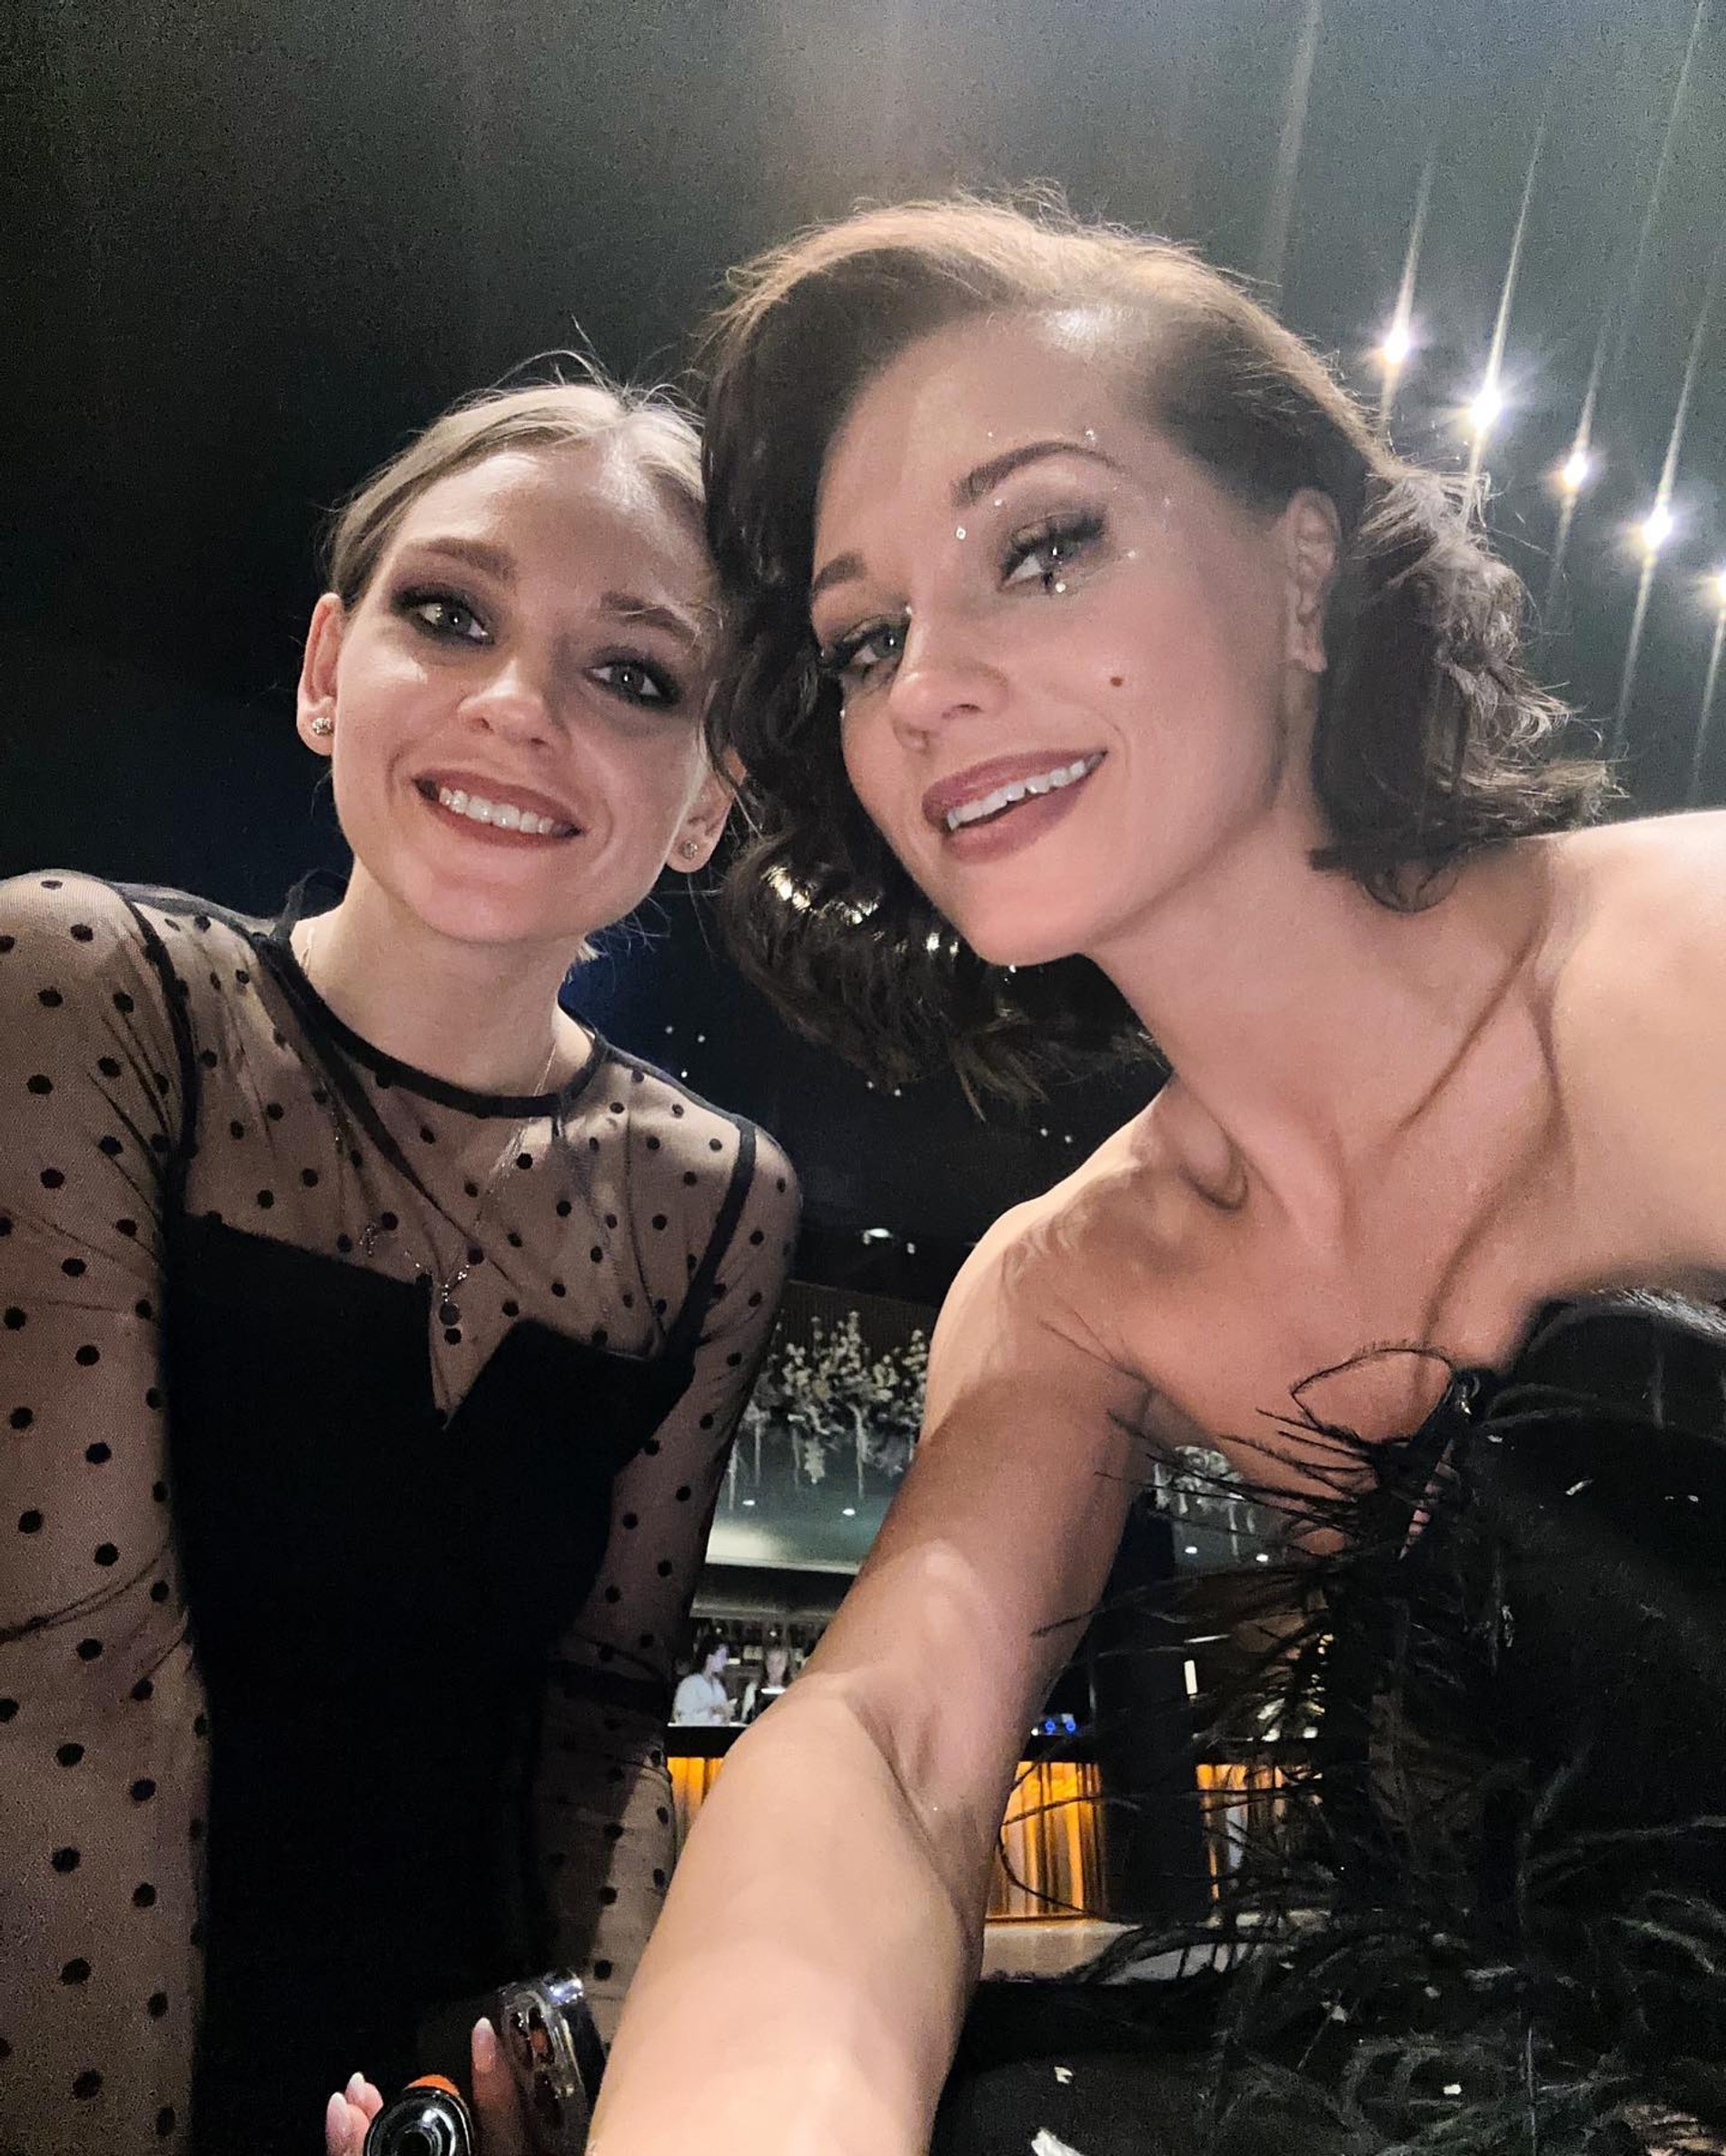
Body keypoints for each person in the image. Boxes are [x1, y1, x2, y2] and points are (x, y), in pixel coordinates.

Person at [583, 197, 1726, 2156]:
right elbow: (888, 1747)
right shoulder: (1078, 1283)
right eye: (868, 639)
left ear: (1304, 569)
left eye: (1041, 545)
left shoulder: (1683, 963)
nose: (925, 685)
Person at [0, 375, 798, 2156]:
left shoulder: (716, 1195)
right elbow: (71, 1692)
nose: (515, 704)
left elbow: (600, 1724)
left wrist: (596, 2083)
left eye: (635, 674)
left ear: (706, 800)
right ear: (322, 669)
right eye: (448, 612)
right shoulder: (87, 986)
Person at [670, 1634, 734, 1725]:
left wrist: (726, 1715)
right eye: (722, 1656)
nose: (725, 1661)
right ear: (709, 1657)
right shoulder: (689, 1684)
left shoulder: (718, 1686)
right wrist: (712, 1711)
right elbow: (683, 1720)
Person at [740, 1637, 793, 1723]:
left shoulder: (794, 1689)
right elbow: (745, 1720)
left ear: (787, 1664)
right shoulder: (752, 1689)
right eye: (771, 1662)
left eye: (779, 1662)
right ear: (765, 1663)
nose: (774, 1667)